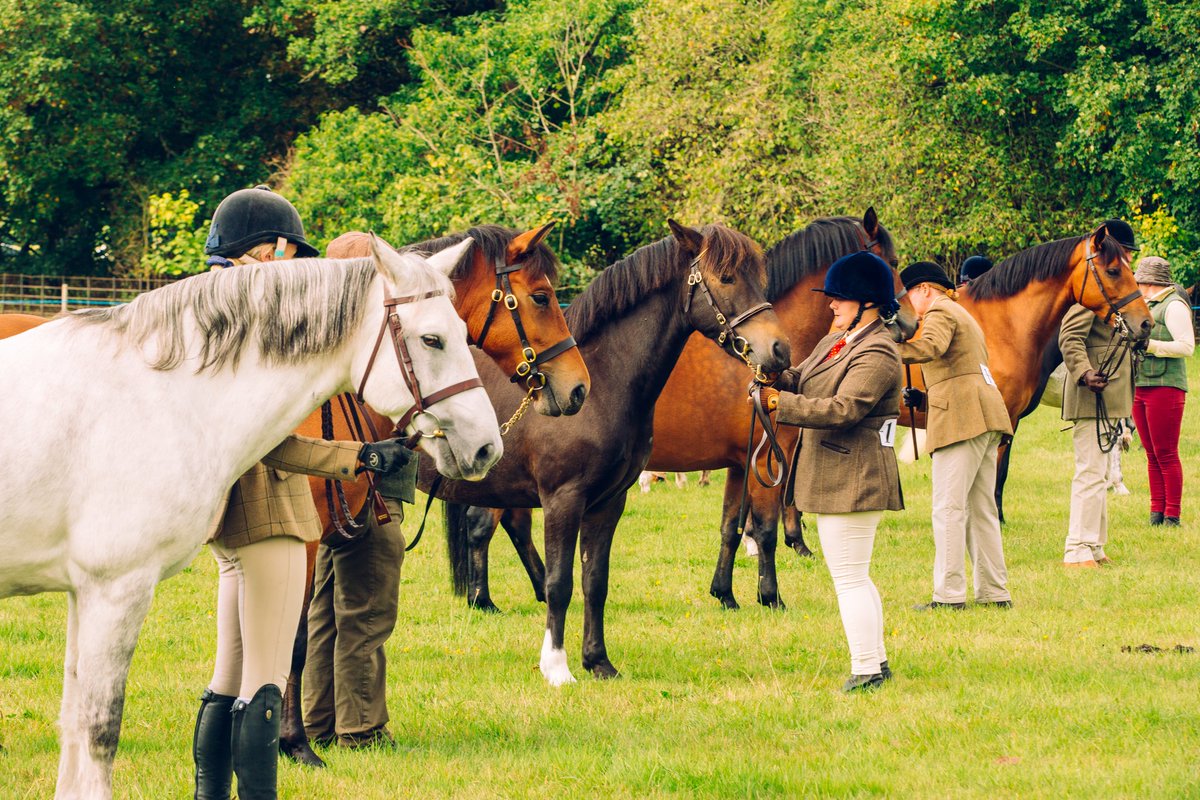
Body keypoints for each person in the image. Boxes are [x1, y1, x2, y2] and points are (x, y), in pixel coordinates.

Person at [191, 186, 414, 800]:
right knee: (263, 684)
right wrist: (358, 457)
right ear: (268, 251)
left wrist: (362, 455)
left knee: (226, 677)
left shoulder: (205, 314)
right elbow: (278, 448)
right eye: (287, 253)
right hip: (274, 514)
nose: (291, 265)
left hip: (226, 523)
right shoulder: (256, 326)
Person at [760, 250, 904, 692]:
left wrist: (777, 405)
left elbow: (844, 410)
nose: (831, 305)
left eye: (840, 298)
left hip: (855, 475)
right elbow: (802, 378)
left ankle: (865, 669)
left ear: (869, 302)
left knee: (849, 577)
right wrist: (773, 378)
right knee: (854, 574)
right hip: (837, 473)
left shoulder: (879, 352)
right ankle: (875, 662)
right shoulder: (837, 340)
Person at [897, 261, 1013, 609]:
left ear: (924, 290)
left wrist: (889, 348)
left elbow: (930, 348)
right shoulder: (961, 313)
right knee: (981, 510)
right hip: (983, 413)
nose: (908, 305)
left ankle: (949, 596)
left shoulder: (939, 312)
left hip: (963, 419)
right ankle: (994, 593)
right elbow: (960, 371)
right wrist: (926, 398)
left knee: (947, 509)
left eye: (909, 295)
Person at [302, 444, 412, 750]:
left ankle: (319, 724)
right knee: (367, 613)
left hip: (332, 490)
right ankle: (361, 730)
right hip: (369, 490)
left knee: (324, 614)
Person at [1058, 298, 1134, 566]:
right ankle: (1076, 548)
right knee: (1090, 473)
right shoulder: (1090, 300)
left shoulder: (1116, 299)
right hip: (1091, 396)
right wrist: (1084, 372)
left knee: (1100, 474)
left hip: (1109, 398)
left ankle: (1093, 546)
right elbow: (1069, 336)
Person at [1131, 255, 1194, 526]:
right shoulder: (1147, 304)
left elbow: (1187, 347)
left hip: (1166, 387)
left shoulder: (1174, 306)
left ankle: (1173, 514)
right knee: (1150, 453)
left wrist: (1151, 346)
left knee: (1166, 453)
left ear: (1148, 282)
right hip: (1142, 384)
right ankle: (1156, 511)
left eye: (1138, 281)